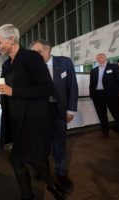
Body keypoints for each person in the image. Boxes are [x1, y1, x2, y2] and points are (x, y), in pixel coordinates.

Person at [0, 24, 65, 200]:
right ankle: (53, 186)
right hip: (16, 120)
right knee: (32, 159)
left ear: (11, 39)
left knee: (17, 159)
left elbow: (47, 88)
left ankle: (30, 196)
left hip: (32, 120)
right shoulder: (7, 64)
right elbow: (1, 88)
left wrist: (14, 92)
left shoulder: (31, 57)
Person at [30, 39, 78, 191]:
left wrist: (71, 110)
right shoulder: (32, 68)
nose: (35, 56)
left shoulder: (65, 63)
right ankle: (42, 170)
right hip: (39, 110)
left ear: (48, 49)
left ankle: (61, 173)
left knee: (59, 142)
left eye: (38, 52)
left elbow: (73, 87)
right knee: (41, 142)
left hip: (59, 109)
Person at [89, 53, 119, 138]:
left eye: (101, 57)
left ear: (105, 58)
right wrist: (91, 94)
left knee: (116, 113)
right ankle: (105, 132)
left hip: (112, 95)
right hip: (97, 95)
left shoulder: (114, 67)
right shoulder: (93, 70)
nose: (99, 59)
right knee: (101, 114)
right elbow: (92, 84)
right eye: (97, 58)